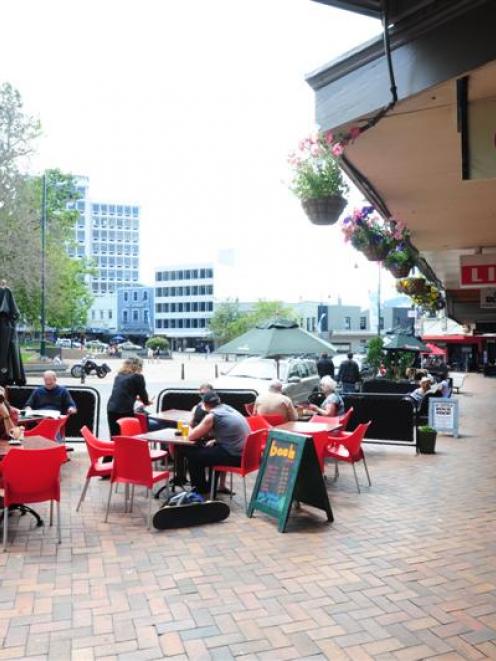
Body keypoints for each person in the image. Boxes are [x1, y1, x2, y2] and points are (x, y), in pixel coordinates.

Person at [182, 391, 250, 495]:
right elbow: (229, 431)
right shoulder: (229, 408)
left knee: (193, 456)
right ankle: (211, 486)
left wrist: (187, 426)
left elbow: (192, 436)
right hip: (244, 454)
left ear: (204, 405)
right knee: (211, 450)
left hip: (234, 455)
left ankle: (201, 489)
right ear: (219, 401)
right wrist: (216, 440)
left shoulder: (213, 415)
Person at [107, 357, 151, 437]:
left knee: (115, 436)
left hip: (111, 408)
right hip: (125, 409)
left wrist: (137, 398)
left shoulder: (119, 376)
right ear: (138, 366)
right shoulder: (138, 377)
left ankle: (116, 449)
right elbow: (143, 395)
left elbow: (123, 392)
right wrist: (147, 402)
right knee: (128, 436)